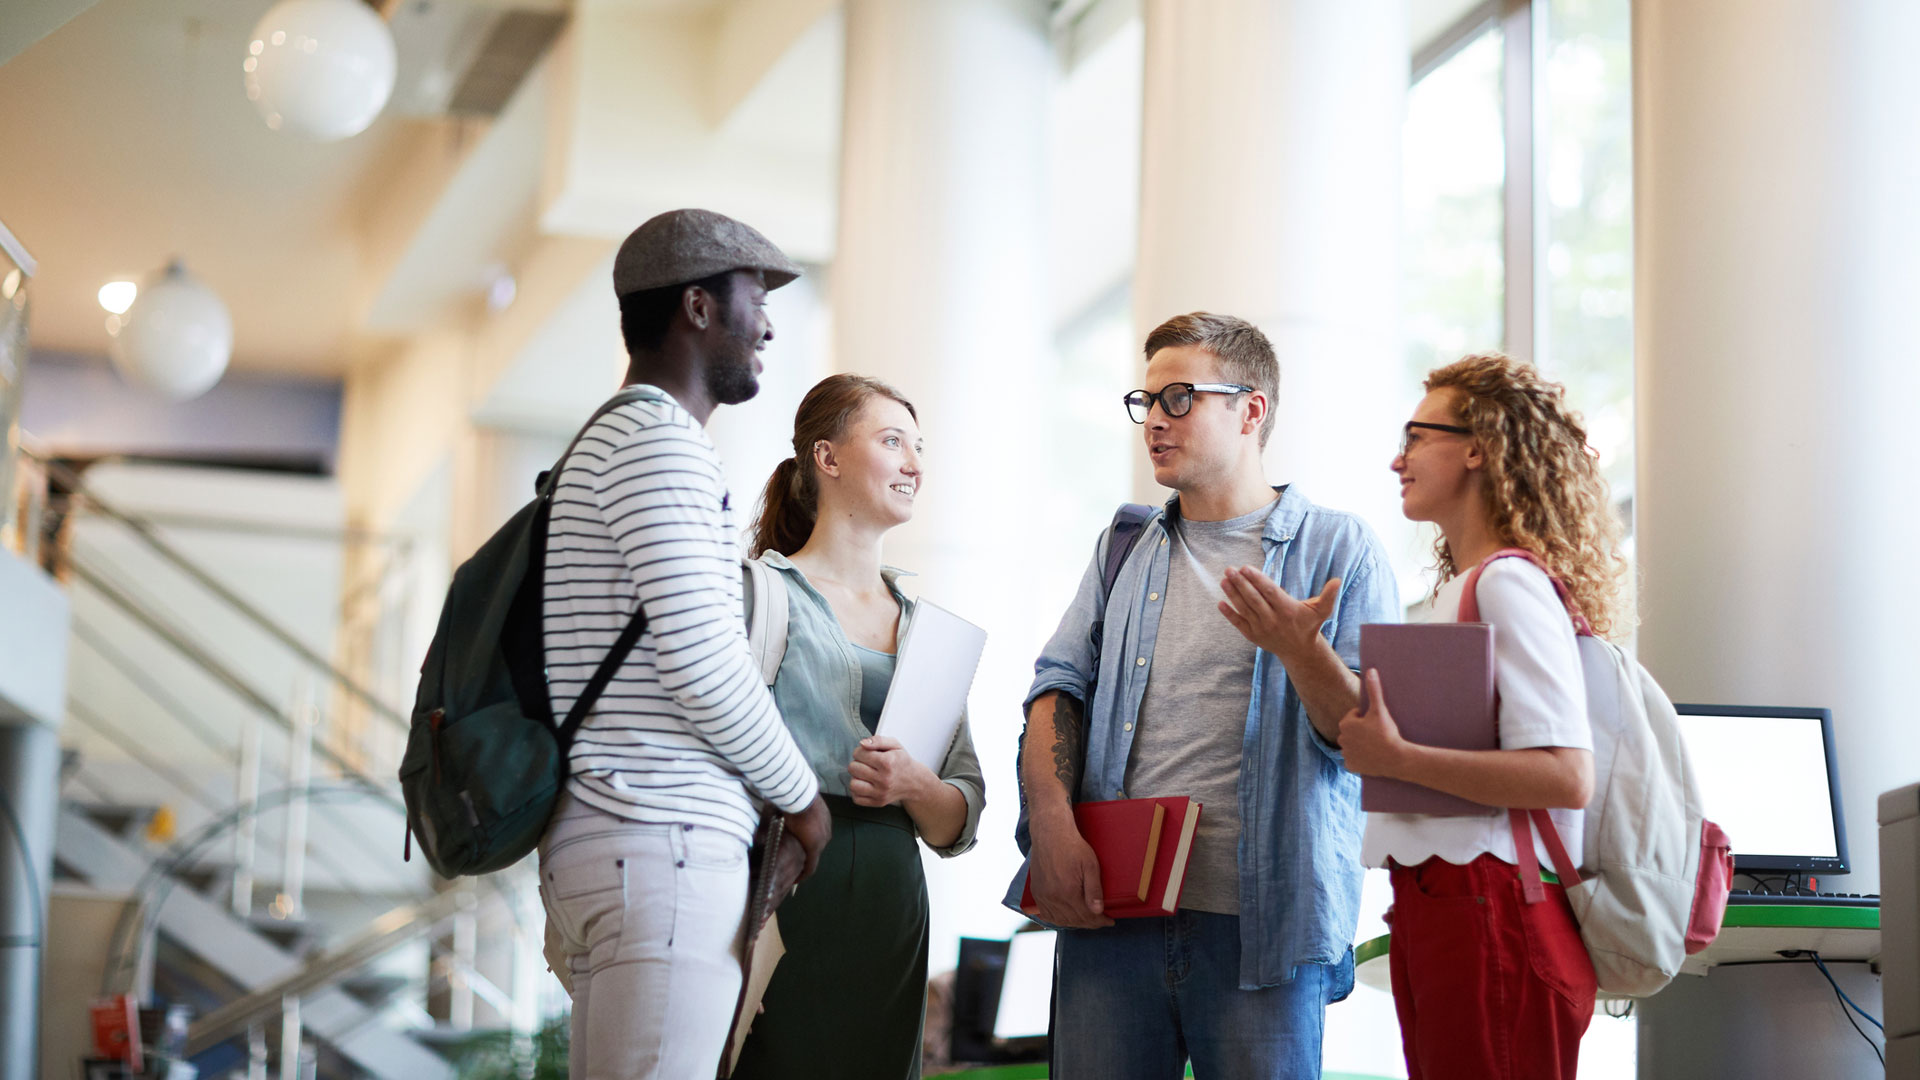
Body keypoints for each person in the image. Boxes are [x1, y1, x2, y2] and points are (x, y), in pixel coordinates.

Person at [1007, 312, 1400, 1079]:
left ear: (1251, 410)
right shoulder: (1124, 543)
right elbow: (1058, 688)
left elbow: (1364, 743)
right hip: (1113, 914)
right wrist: (1050, 828)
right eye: (1146, 401)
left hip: (1265, 930)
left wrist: (1298, 649)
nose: (1154, 420)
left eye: (1180, 398)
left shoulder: (1339, 548)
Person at [536, 208, 833, 1079]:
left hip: (611, 835)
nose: (768, 323)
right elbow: (705, 667)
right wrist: (801, 800)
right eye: (754, 298)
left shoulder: (603, 443)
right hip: (659, 838)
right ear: (698, 308)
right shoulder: (660, 442)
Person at [1340, 352, 1627, 1079]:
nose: (1395, 458)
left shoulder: (1507, 585)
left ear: (1478, 448)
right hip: (1454, 902)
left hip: (1491, 908)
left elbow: (1566, 776)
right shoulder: (1468, 589)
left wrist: (1398, 760)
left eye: (1415, 436)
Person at [731, 374, 986, 1080]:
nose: (914, 463)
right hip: (781, 886)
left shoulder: (928, 628)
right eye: (892, 440)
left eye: (919, 447)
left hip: (891, 907)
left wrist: (913, 784)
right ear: (828, 458)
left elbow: (960, 814)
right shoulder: (757, 597)